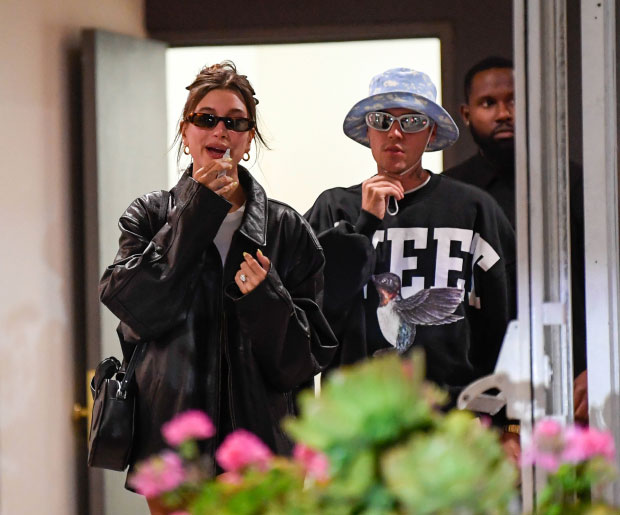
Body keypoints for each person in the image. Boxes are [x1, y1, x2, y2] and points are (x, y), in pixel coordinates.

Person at [99, 62, 338, 513]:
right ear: (186, 131)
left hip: (263, 448)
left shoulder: (286, 228)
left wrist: (266, 298)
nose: (221, 130)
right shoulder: (149, 216)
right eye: (206, 118)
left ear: (248, 140)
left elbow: (304, 359)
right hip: (172, 444)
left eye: (235, 121)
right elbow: (135, 310)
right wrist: (195, 214)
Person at [304, 67, 516, 405]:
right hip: (356, 419)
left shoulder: (472, 209)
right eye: (382, 120)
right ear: (367, 131)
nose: (396, 134)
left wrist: (505, 419)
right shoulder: (334, 209)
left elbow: (507, 319)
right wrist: (366, 223)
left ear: (431, 133)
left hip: (455, 414)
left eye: (413, 122)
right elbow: (311, 316)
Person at [444, 56, 588, 425]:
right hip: (476, 379)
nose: (504, 113)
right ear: (465, 113)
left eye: (514, 100)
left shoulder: (572, 183)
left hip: (570, 368)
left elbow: (601, 279)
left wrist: (596, 365)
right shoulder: (450, 193)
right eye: (488, 103)